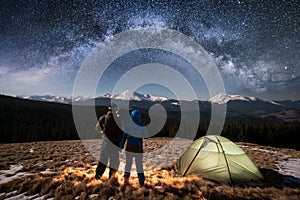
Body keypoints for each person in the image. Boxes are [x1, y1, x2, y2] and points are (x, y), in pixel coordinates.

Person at [119, 109, 149, 186]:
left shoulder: (128, 125)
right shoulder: (142, 126)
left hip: (129, 147)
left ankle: (126, 180)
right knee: (139, 165)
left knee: (128, 164)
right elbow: (146, 137)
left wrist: (121, 146)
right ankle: (141, 182)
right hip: (138, 147)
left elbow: (124, 137)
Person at [95, 103, 123, 180]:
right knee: (114, 162)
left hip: (105, 143)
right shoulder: (118, 119)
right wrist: (121, 144)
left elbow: (97, 129)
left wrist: (102, 133)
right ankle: (111, 179)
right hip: (115, 144)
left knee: (103, 161)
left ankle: (97, 177)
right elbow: (121, 132)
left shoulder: (103, 118)